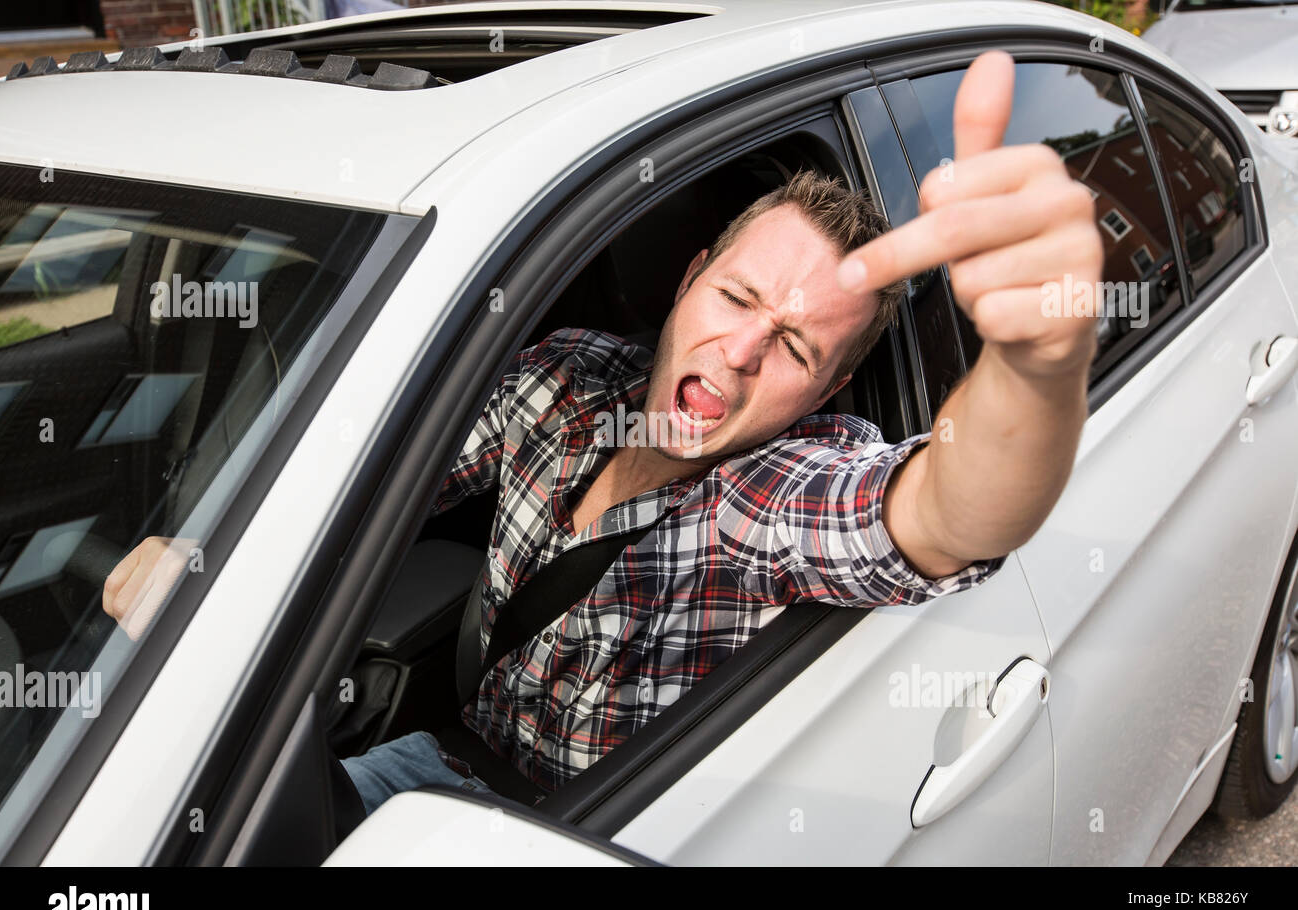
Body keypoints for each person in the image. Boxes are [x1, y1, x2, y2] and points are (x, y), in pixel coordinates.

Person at [104, 51, 1103, 815]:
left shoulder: (770, 494)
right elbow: (373, 477)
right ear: (688, 277)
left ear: (825, 392)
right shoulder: (570, 377)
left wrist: (1036, 366)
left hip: (582, 828)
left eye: (796, 346)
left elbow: (946, 509)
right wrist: (207, 558)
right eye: (737, 295)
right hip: (434, 765)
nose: (742, 349)